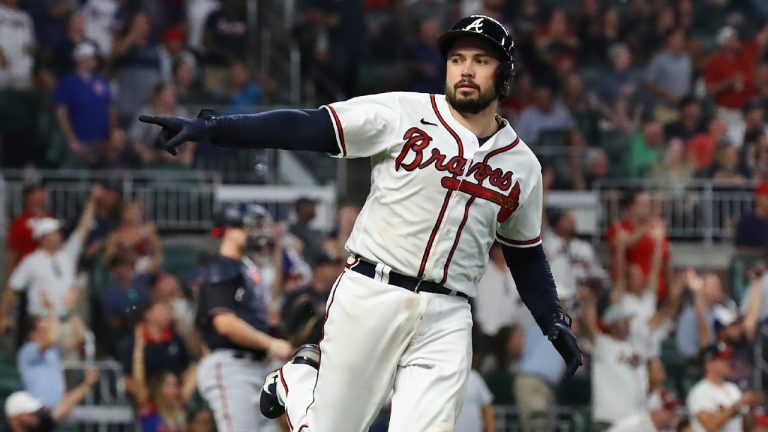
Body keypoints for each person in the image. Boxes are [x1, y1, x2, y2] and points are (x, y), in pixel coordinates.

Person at [140, 14, 582, 432]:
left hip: (449, 313)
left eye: (481, 61)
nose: (465, 70)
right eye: (457, 59)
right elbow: (308, 127)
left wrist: (550, 316)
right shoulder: (404, 113)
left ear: (504, 75)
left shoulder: (523, 165)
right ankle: (298, 381)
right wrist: (216, 127)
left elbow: (524, 253)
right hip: (374, 291)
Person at [194, 202, 293, 431]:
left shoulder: (245, 267)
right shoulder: (222, 266)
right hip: (231, 367)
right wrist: (271, 343)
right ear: (229, 231)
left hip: (256, 367)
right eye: (246, 228)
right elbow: (224, 323)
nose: (253, 233)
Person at [0, 186, 97, 335]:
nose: (58, 235)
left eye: (57, 232)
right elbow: (12, 289)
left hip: (66, 322)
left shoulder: (67, 254)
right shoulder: (30, 261)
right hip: (41, 324)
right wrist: (3, 316)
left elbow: (82, 229)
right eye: (53, 233)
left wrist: (91, 202)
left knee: (70, 357)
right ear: (42, 238)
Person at [686, 344, 762, 432]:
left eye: (727, 359)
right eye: (722, 359)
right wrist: (736, 407)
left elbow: (747, 428)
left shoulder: (733, 388)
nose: (727, 362)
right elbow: (710, 426)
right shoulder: (700, 391)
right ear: (709, 364)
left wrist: (751, 408)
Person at [4, 370, 99, 432]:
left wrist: (88, 384)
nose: (35, 415)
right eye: (30, 413)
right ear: (16, 416)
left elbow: (64, 406)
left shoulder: (40, 425)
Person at [104, 201, 163, 274]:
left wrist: (152, 267)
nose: (133, 215)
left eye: (135, 212)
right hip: (125, 272)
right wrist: (122, 256)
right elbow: (108, 258)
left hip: (147, 268)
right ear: (122, 215)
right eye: (129, 212)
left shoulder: (148, 230)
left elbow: (158, 253)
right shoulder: (115, 236)